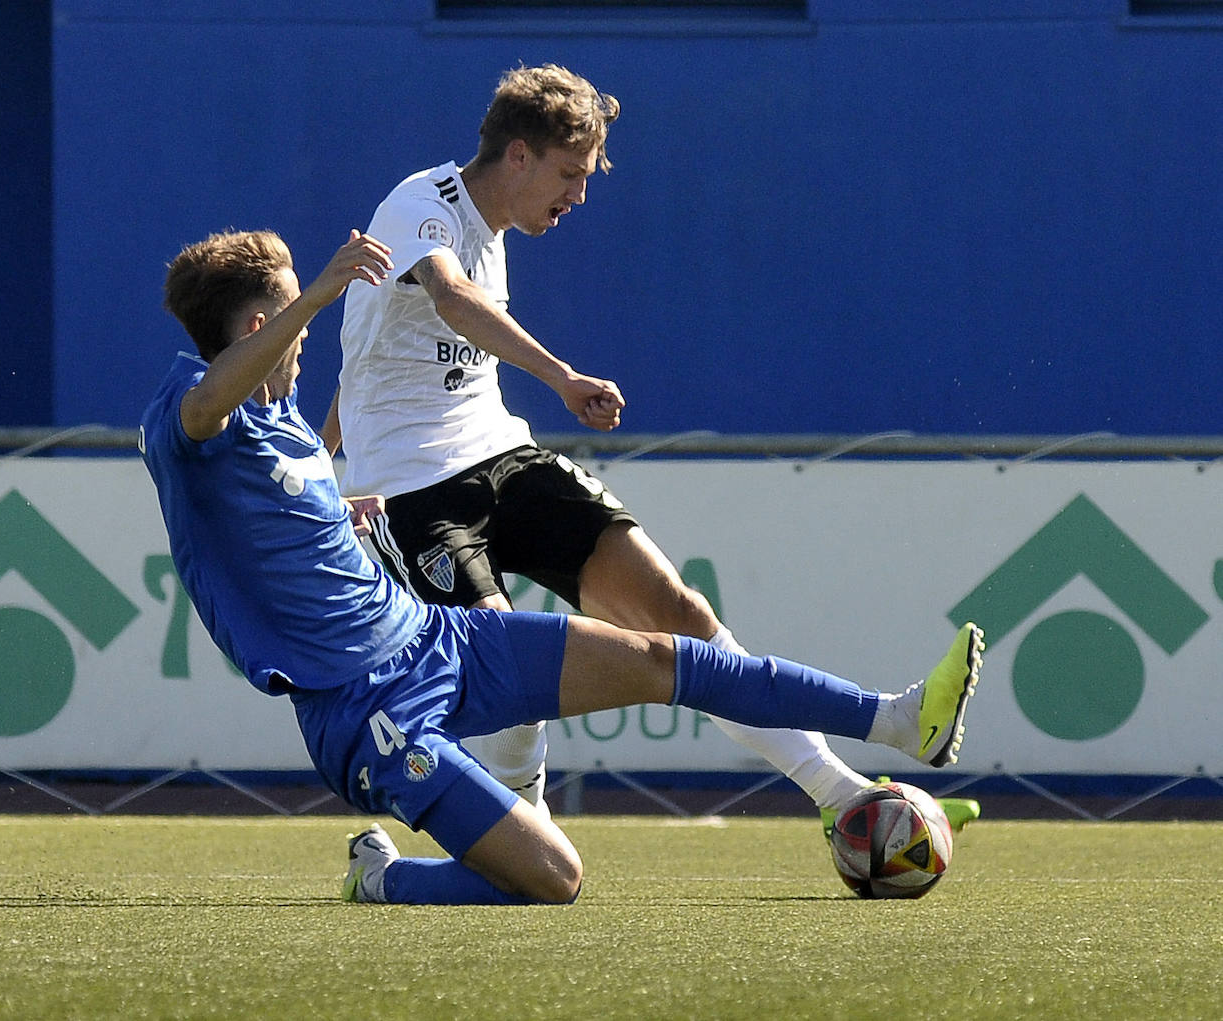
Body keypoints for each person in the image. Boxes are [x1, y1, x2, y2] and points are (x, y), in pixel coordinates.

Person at [140, 226, 986, 905]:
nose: (306, 337)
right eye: (293, 318)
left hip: (438, 637)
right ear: (259, 326)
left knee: (665, 653)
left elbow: (288, 527)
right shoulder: (184, 414)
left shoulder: (287, 416)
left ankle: (894, 719)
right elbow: (210, 404)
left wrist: (350, 518)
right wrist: (320, 290)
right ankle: (382, 875)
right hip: (365, 709)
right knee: (555, 878)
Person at [323, 64, 980, 836]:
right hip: (412, 496)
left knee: (680, 614)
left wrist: (322, 441)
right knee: (509, 684)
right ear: (520, 155)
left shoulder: (493, 235)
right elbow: (449, 300)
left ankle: (863, 772)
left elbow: (366, 362)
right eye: (570, 174)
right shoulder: (420, 203)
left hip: (501, 457)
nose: (579, 196)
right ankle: (519, 843)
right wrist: (563, 377)